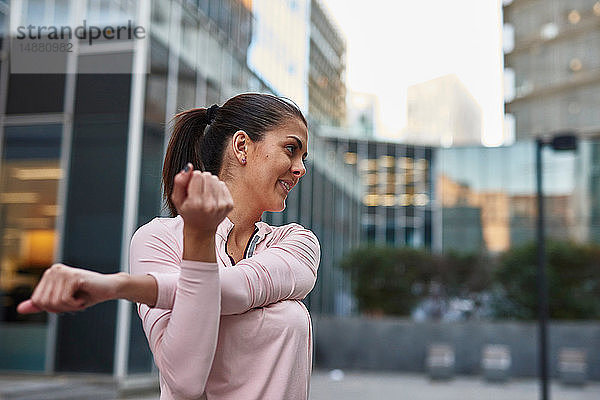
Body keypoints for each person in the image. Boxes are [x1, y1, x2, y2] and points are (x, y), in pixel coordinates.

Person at [17, 93, 321, 400]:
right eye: (291, 149)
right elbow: (185, 381)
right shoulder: (158, 239)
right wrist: (199, 239)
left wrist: (119, 286)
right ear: (242, 146)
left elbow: (241, 287)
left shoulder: (296, 243)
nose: (300, 169)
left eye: (302, 158)